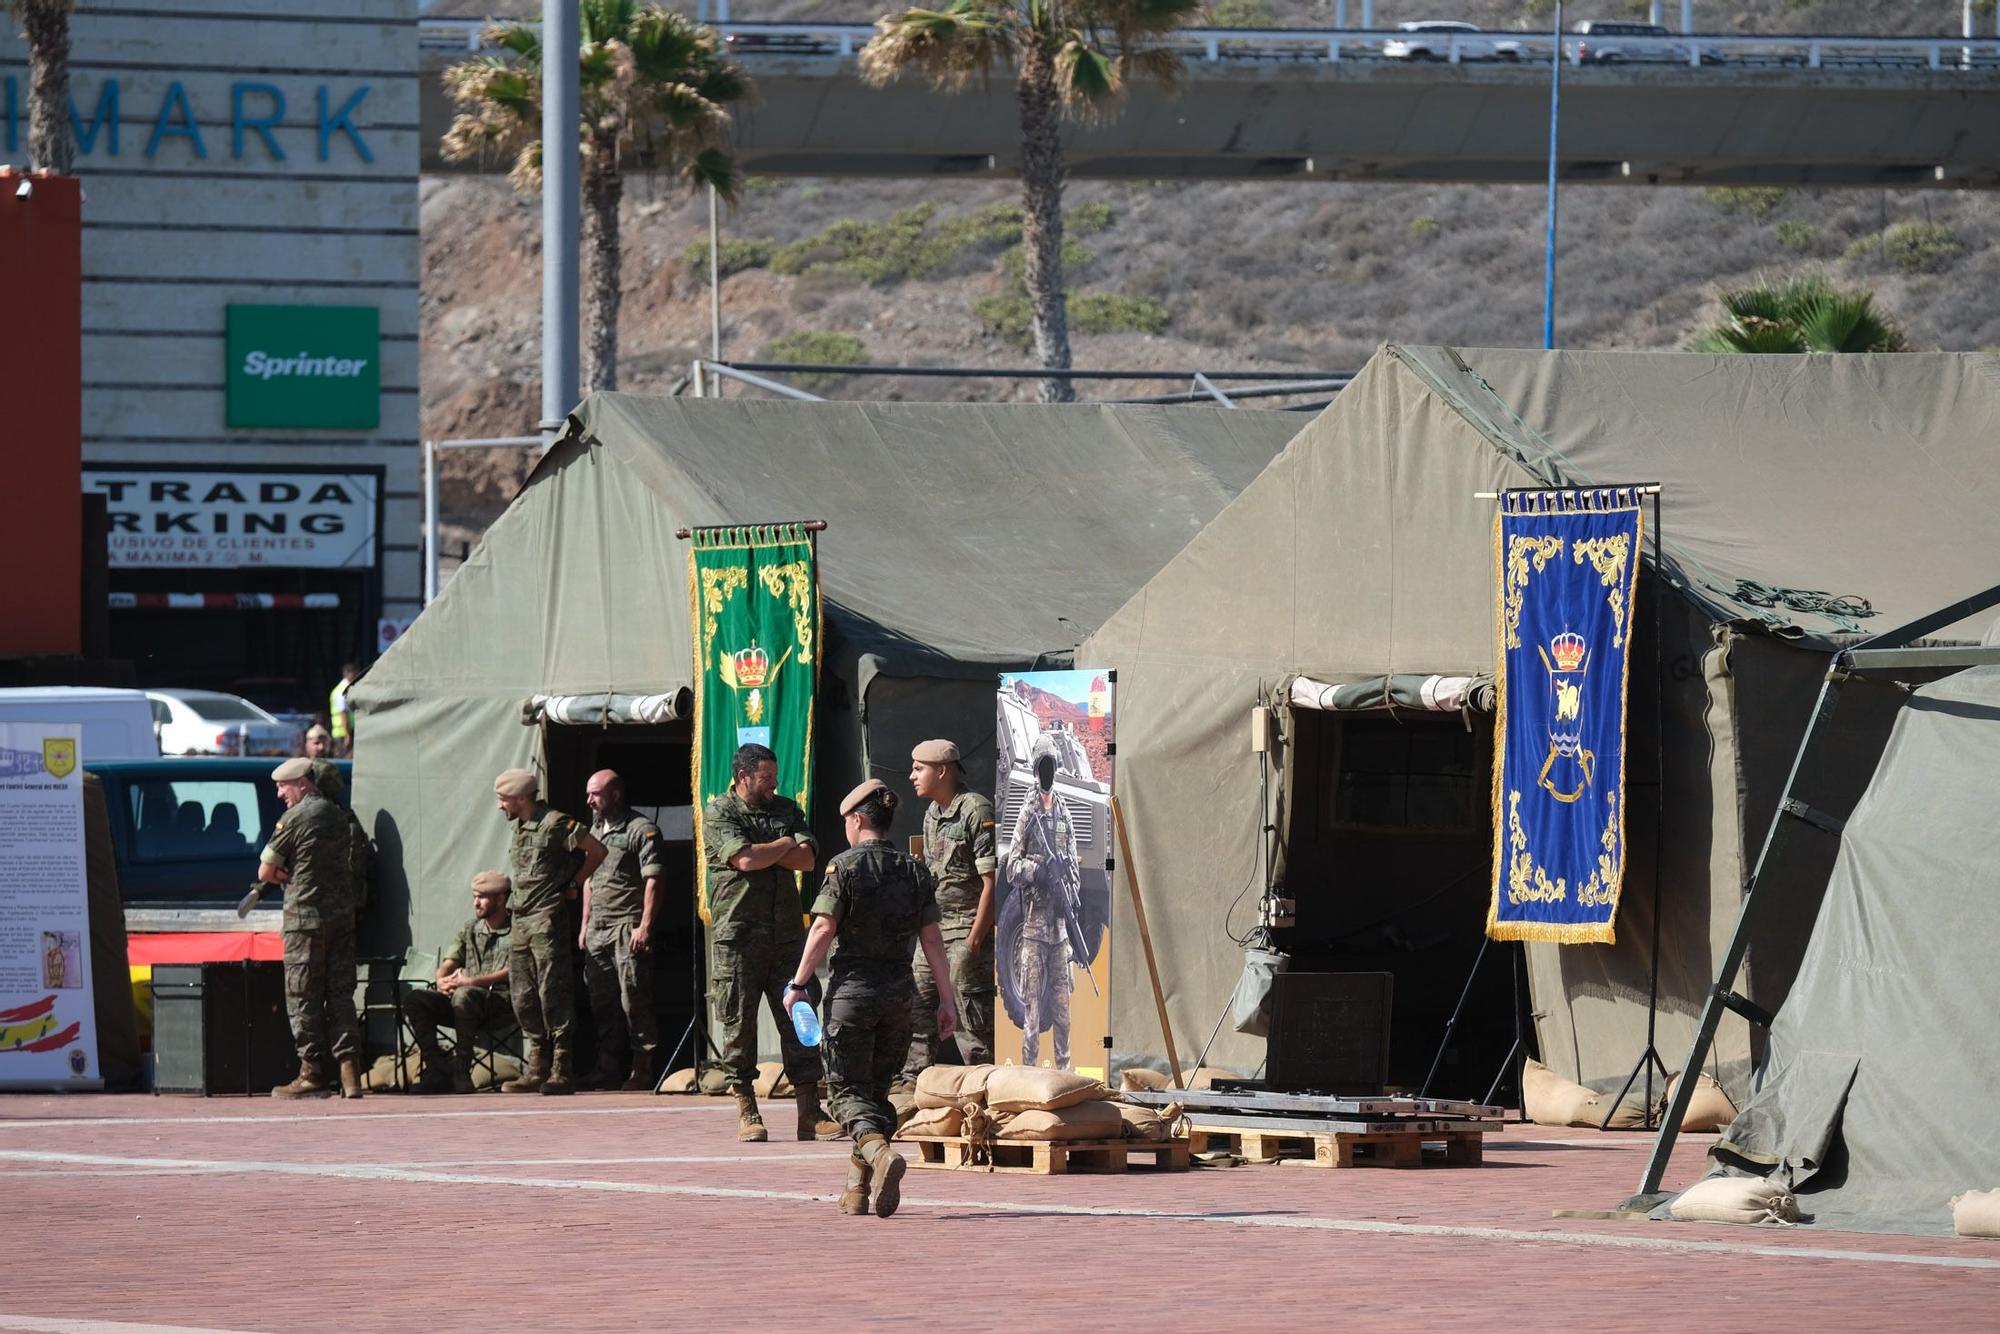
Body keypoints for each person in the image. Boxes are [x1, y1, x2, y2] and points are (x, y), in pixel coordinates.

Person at [785, 779, 956, 1218]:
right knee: (878, 1094)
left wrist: (799, 983)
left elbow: (823, 928)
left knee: (845, 1093)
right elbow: (933, 941)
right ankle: (857, 1191)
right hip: (900, 995)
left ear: (856, 820)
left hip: (853, 995)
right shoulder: (915, 870)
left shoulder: (843, 867)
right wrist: (946, 1000)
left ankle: (880, 1156)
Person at [702, 742, 837, 1142]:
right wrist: (783, 846)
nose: (775, 784)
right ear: (743, 777)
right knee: (738, 1028)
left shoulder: (785, 808)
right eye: (766, 778)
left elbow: (808, 860)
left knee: (801, 1021)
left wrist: (767, 851)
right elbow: (743, 860)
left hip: (786, 939)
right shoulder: (720, 812)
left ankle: (809, 1114)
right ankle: (748, 1111)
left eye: (775, 777)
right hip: (739, 939)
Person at [494, 767, 605, 1096]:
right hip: (520, 921)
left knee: (552, 995)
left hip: (546, 919)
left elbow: (597, 851)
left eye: (504, 799)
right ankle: (536, 1067)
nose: (501, 806)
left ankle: (561, 1068)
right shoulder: (520, 826)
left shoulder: (555, 822)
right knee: (523, 998)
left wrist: (573, 883)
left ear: (523, 797)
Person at [258, 756, 362, 1099]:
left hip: (305, 922)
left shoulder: (297, 816)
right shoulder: (341, 816)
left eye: (283, 786)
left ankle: (312, 1073)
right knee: (341, 994)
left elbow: (265, 871)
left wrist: (283, 876)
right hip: (342, 919)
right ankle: (350, 1074)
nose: (279, 794)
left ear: (303, 783)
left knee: (302, 995)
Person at [899, 738, 997, 1084]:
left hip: (967, 932)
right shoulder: (932, 814)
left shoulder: (976, 810)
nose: (912, 775)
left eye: (918, 768)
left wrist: (973, 943)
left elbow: (992, 883)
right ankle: (915, 1092)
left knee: (972, 1027)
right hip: (936, 935)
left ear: (942, 771)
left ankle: (985, 1093)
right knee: (918, 1010)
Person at [581, 769, 664, 1091]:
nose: (589, 801)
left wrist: (644, 926)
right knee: (602, 1002)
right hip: (597, 930)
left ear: (615, 794)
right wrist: (584, 924)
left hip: (626, 927)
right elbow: (588, 878)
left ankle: (642, 1069)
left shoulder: (640, 830)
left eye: (596, 794)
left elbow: (654, 879)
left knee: (634, 1000)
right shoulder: (595, 831)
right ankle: (607, 1068)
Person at [405, 871, 516, 1094]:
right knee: (416, 999)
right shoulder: (471, 929)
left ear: (501, 899)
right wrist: (441, 980)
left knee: (464, 995)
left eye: (482, 897)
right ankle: (436, 1069)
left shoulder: (517, 929)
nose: (476, 902)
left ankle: (462, 1072)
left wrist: (472, 981)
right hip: (463, 1003)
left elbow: (515, 971)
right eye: (475, 896)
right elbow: (450, 962)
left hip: (502, 1004)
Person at [1007, 736, 1079, 1070]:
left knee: (1063, 1012)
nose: (1048, 771)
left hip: (1060, 930)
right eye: (1043, 765)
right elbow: (1011, 867)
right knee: (1032, 1013)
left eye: (1052, 765)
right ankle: (1028, 1078)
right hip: (1034, 929)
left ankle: (1064, 1077)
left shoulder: (1064, 810)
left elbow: (1074, 863)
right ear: (1037, 770)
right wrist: (1039, 871)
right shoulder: (1028, 811)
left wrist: (1069, 886)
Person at [328, 664, 359, 757]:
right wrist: (347, 735)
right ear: (348, 674)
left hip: (345, 732)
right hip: (343, 733)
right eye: (355, 673)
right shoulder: (341, 691)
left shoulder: (347, 688)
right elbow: (343, 713)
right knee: (345, 757)